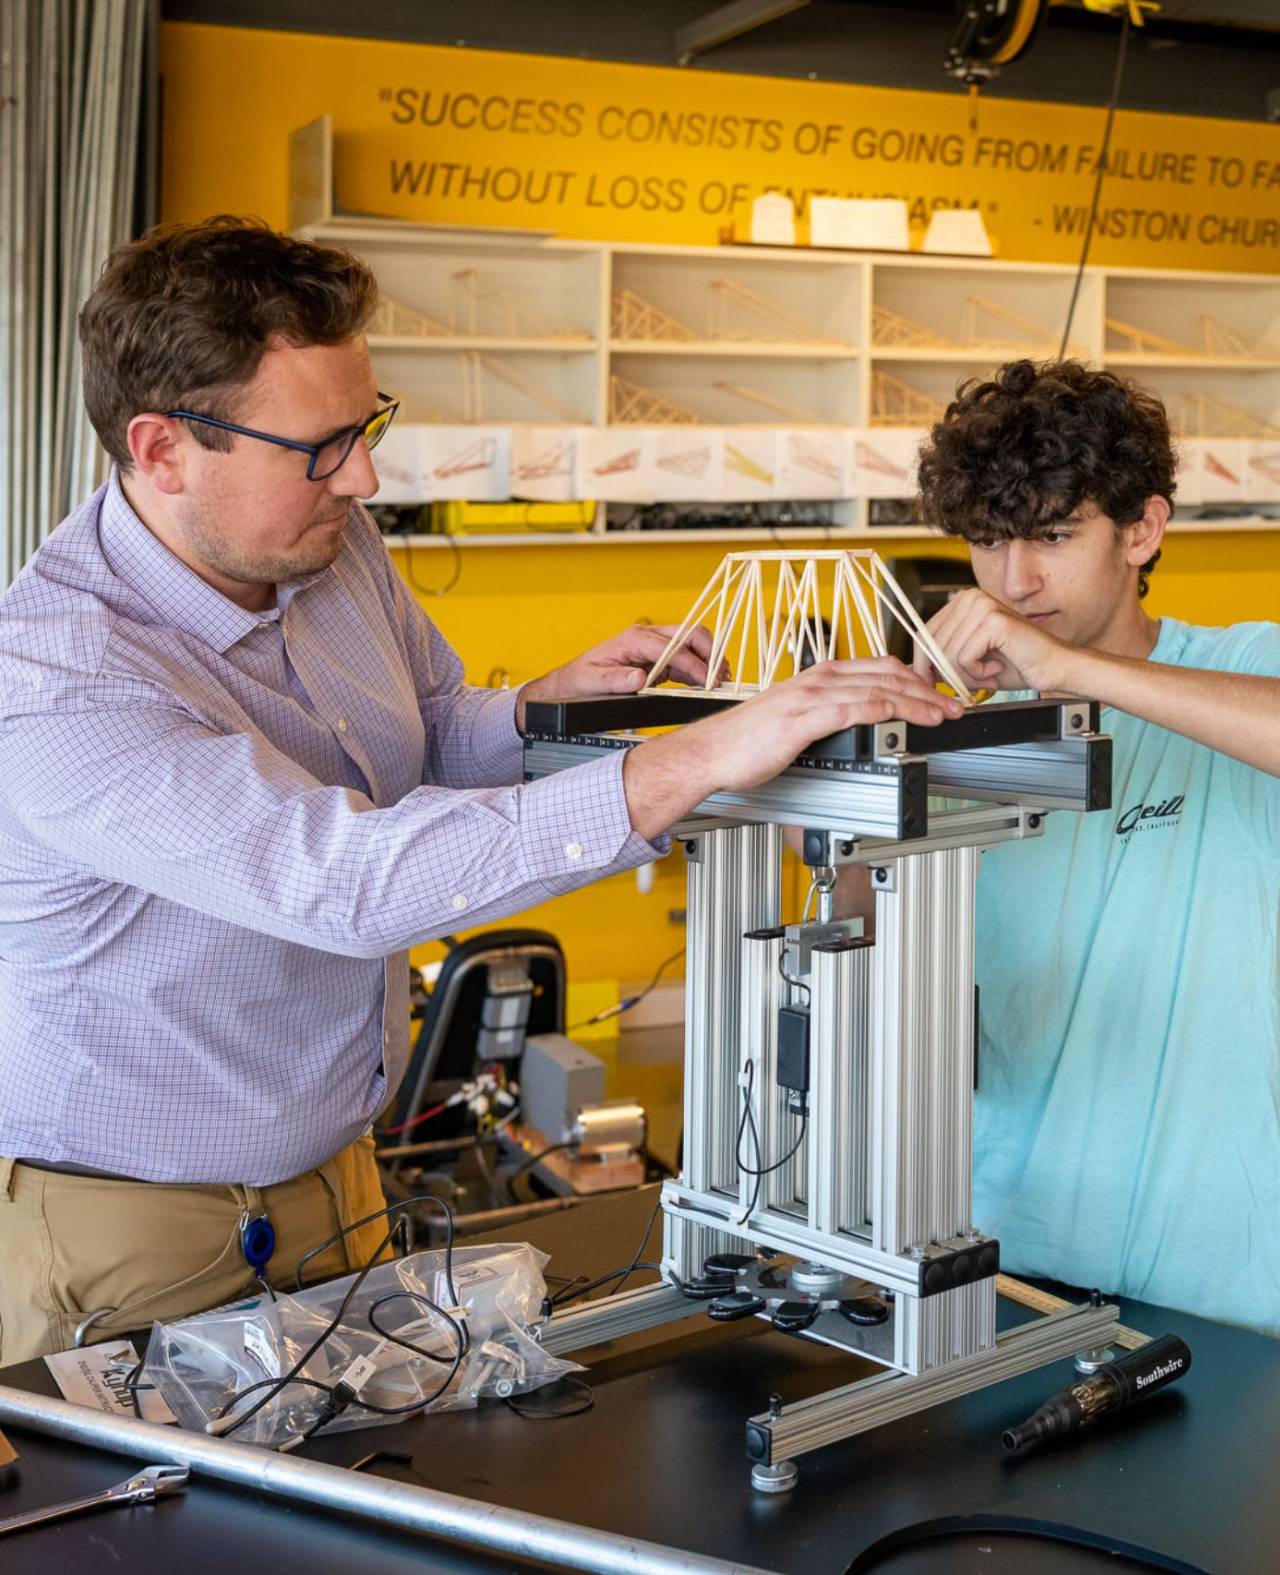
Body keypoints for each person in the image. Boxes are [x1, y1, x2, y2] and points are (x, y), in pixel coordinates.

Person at [0, 217, 955, 1364]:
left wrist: (542, 708)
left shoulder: (324, 542)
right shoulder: (58, 679)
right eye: (321, 446)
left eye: (368, 428)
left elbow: (421, 732)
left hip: (335, 1180)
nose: (362, 475)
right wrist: (690, 761)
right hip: (129, 1234)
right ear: (162, 451)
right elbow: (341, 879)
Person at [910, 358, 1280, 1334]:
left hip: (1227, 1286)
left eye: (1051, 535)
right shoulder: (965, 737)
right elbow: (916, 1006)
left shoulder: (1243, 667)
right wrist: (860, 793)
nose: (1011, 582)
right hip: (1015, 1264)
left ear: (1140, 529)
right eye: (986, 542)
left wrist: (1070, 672)